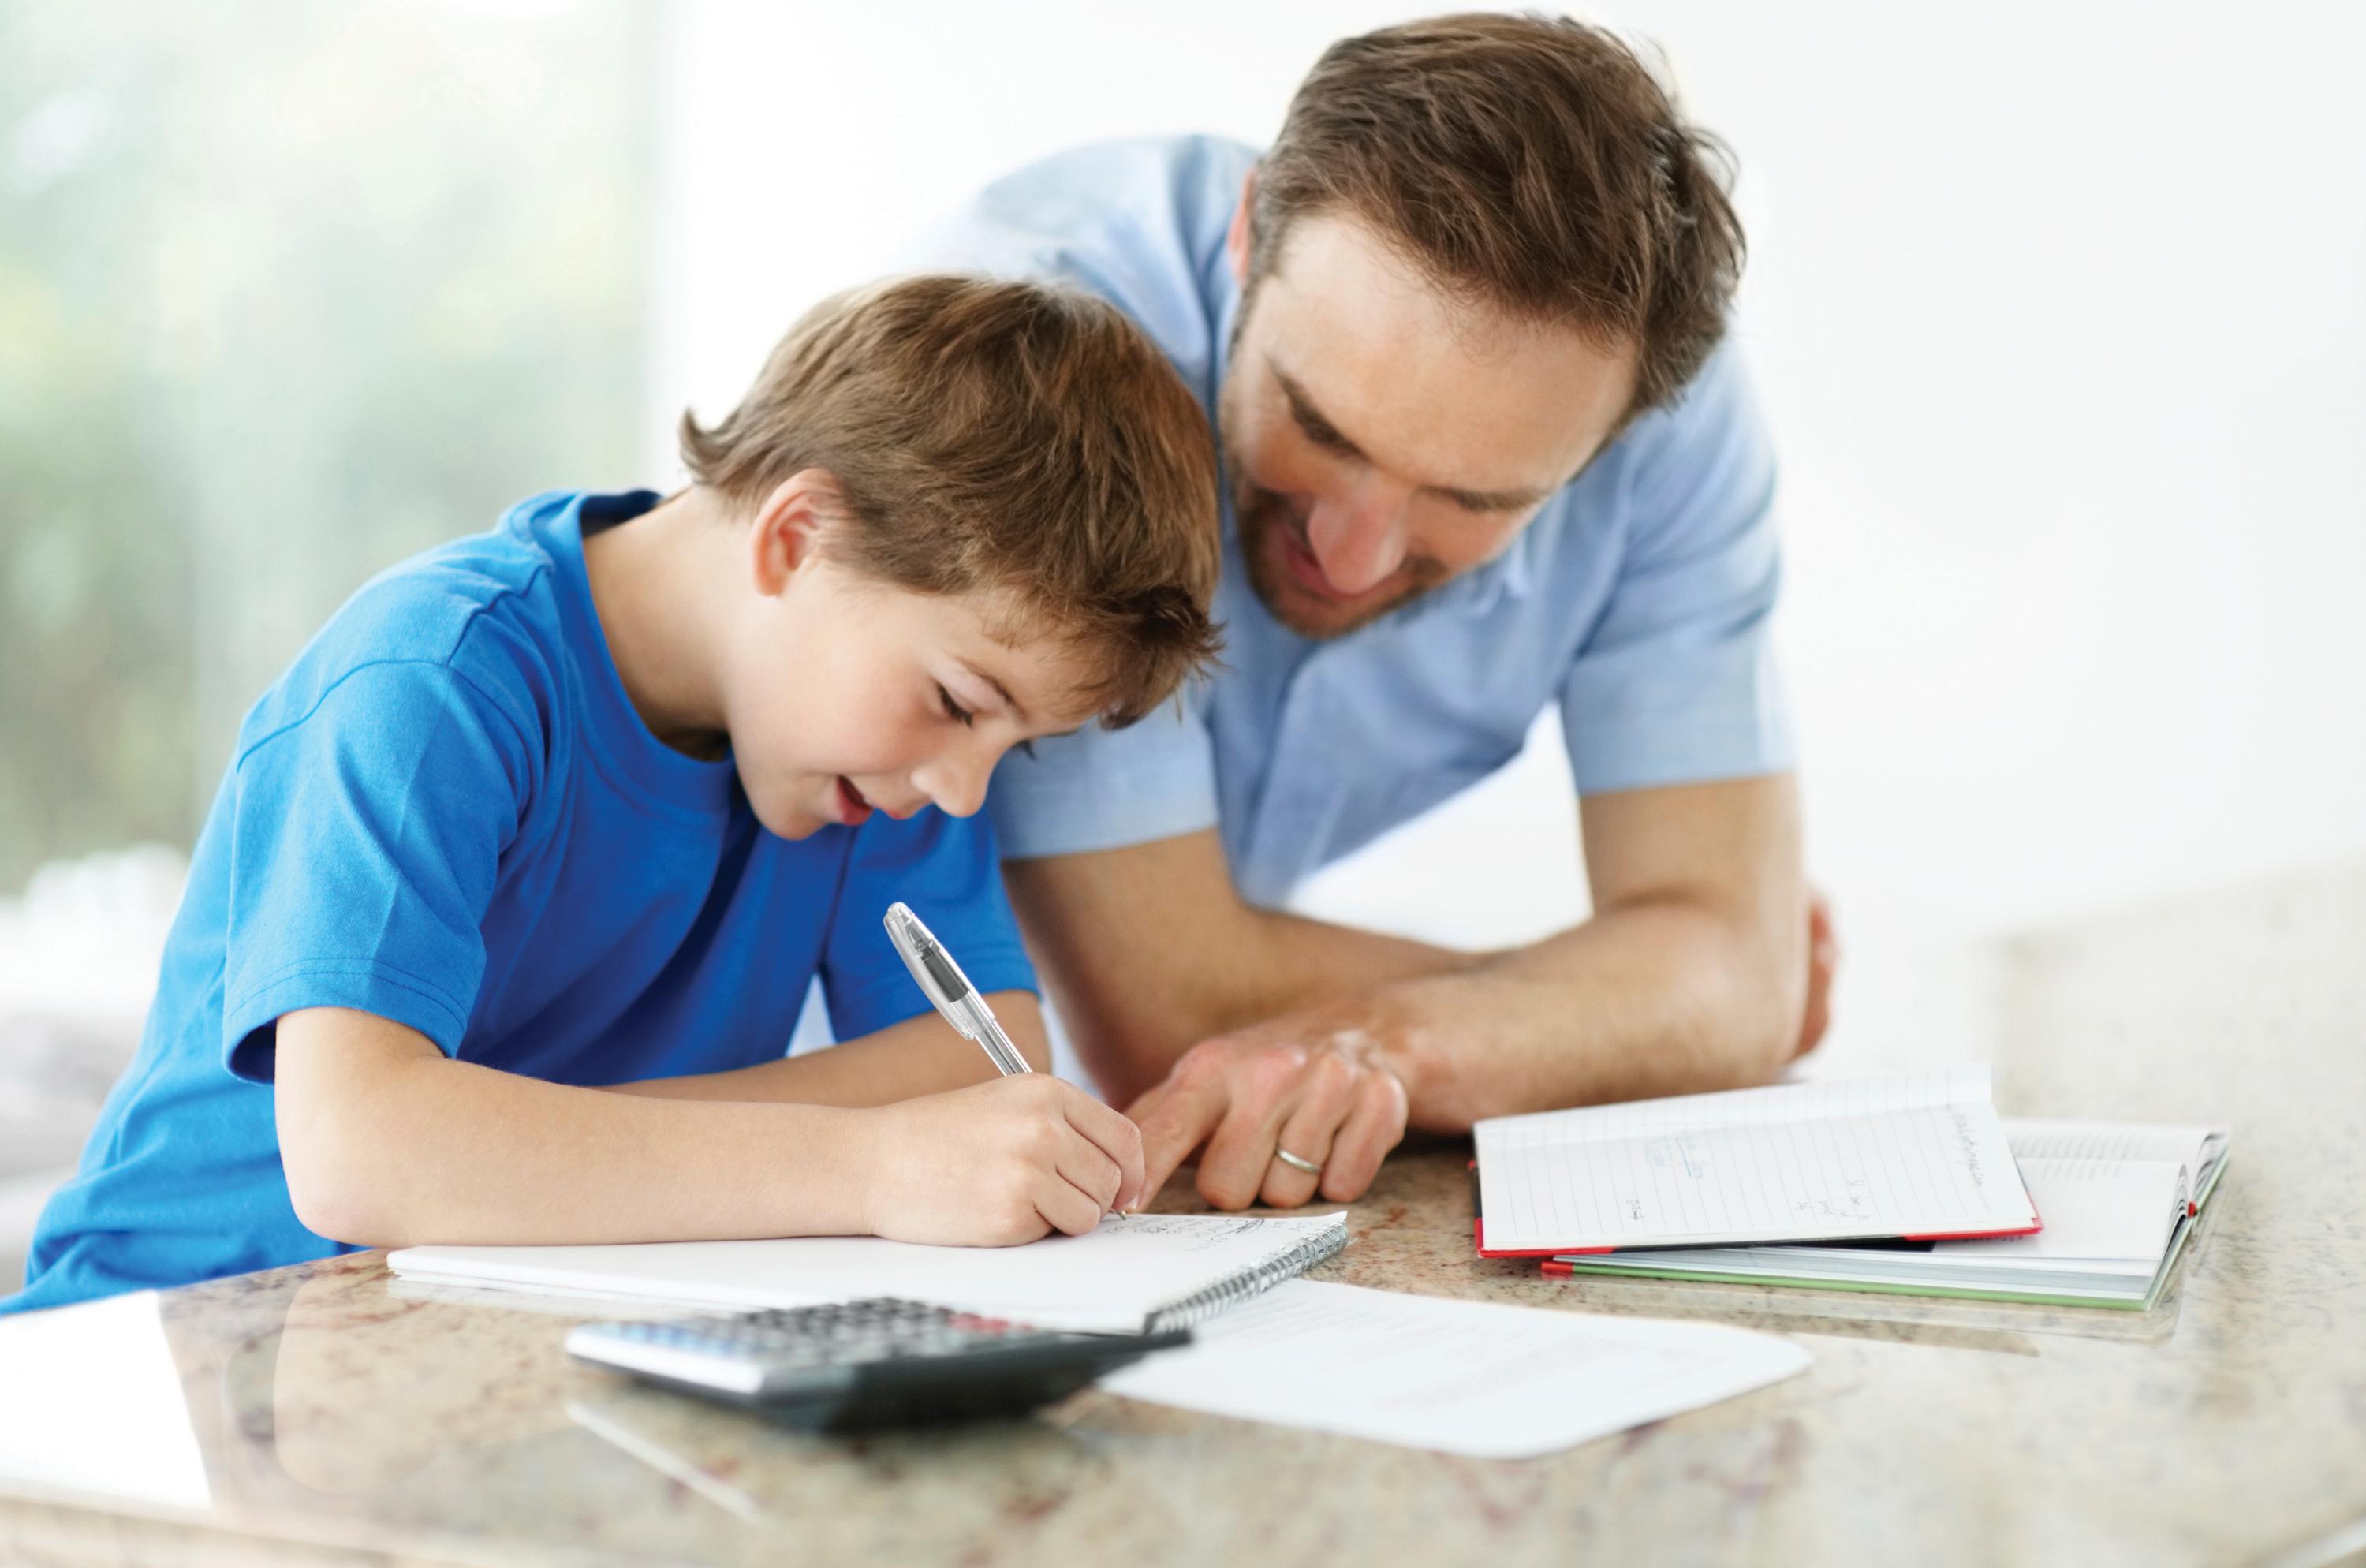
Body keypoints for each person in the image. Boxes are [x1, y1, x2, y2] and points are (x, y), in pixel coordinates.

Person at [3, 275, 1222, 1315]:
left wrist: (517, 1144)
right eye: (963, 701)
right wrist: (863, 1162)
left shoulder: (873, 770)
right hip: (168, 1349)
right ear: (797, 539)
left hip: (496, 1335)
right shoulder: (435, 684)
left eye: (1017, 745)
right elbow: (360, 1153)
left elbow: (971, 1069)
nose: (962, 791)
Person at [906, 13, 1840, 1210]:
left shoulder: (1671, 423)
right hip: (803, 1110)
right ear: (1252, 233)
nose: (1352, 558)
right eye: (1322, 426)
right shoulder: (1035, 356)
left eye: (1469, 499)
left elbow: (1735, 981)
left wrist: (1396, 1040)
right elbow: (1166, 1012)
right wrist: (1640, 1000)